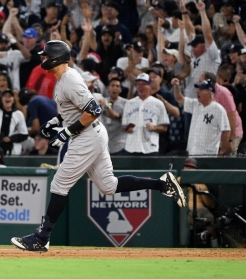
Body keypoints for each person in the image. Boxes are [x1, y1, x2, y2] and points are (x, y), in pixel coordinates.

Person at [11, 40, 186, 253]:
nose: (43, 59)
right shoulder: (64, 80)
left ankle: (41, 238)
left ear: (56, 57)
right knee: (108, 186)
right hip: (92, 133)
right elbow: (73, 110)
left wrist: (67, 132)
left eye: (46, 56)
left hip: (86, 136)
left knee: (59, 185)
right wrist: (56, 122)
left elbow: (94, 110)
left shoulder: (69, 80)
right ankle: (162, 185)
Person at [171, 78, 231, 156]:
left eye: (201, 89)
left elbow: (226, 130)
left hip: (208, 155)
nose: (197, 91)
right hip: (192, 152)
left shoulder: (219, 109)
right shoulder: (195, 104)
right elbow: (179, 98)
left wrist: (223, 151)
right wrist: (176, 86)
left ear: (209, 93)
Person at [121, 73, 170, 155]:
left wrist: (153, 127)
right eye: (138, 84)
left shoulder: (158, 103)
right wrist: (127, 129)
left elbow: (165, 128)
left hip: (150, 148)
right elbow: (123, 126)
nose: (140, 87)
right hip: (131, 147)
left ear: (150, 86)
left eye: (143, 84)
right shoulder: (129, 103)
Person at [180, 158, 219, 248]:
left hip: (201, 210)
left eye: (191, 167)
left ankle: (215, 246)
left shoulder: (200, 183)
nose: (189, 169)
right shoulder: (178, 181)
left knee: (210, 219)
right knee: (187, 217)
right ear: (183, 168)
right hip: (185, 210)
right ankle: (190, 242)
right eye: (187, 166)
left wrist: (199, 189)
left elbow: (210, 205)